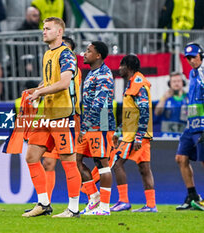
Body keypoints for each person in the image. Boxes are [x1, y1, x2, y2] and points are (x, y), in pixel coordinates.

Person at [22, 17, 81, 218]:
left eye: (48, 29)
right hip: (47, 115)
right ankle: (44, 203)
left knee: (68, 160)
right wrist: (36, 90)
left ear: (59, 32)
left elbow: (64, 83)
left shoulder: (66, 55)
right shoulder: (48, 54)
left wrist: (41, 92)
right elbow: (50, 80)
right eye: (43, 28)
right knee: (31, 156)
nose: (43, 31)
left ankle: (73, 208)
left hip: (62, 114)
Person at [110, 54, 157, 213]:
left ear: (128, 67)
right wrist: (119, 130)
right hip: (137, 134)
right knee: (144, 168)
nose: (119, 69)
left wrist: (138, 136)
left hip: (135, 135)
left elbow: (144, 111)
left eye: (121, 66)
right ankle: (151, 205)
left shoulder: (137, 84)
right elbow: (133, 114)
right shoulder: (134, 83)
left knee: (117, 163)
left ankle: (123, 201)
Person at [76, 41, 115, 216]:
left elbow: (100, 103)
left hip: (101, 124)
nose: (84, 53)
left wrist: (85, 126)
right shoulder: (92, 73)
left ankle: (105, 207)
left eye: (88, 51)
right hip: (90, 125)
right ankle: (94, 197)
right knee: (75, 159)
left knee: (102, 164)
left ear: (98, 55)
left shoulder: (104, 75)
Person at [175, 43, 204, 211]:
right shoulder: (193, 73)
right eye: (188, 58)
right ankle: (192, 195)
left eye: (194, 56)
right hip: (191, 123)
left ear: (201, 55)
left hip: (202, 124)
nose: (191, 60)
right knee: (181, 158)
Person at [154, 72, 188, 137]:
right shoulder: (165, 98)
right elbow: (157, 112)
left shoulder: (188, 98)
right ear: (170, 84)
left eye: (178, 81)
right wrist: (164, 98)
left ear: (183, 82)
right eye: (174, 81)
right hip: (167, 136)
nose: (176, 83)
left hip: (183, 136)